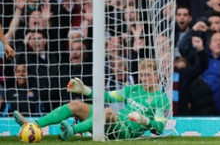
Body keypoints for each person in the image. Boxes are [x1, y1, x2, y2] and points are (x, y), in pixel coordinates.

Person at [13, 59, 170, 140]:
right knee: (76, 105)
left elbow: (159, 128)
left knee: (108, 112)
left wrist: (144, 121)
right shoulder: (133, 89)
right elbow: (108, 96)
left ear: (156, 75)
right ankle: (33, 124)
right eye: (142, 75)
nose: (143, 79)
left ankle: (72, 131)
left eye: (147, 75)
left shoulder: (161, 100)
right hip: (113, 123)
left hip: (125, 132)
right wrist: (85, 90)